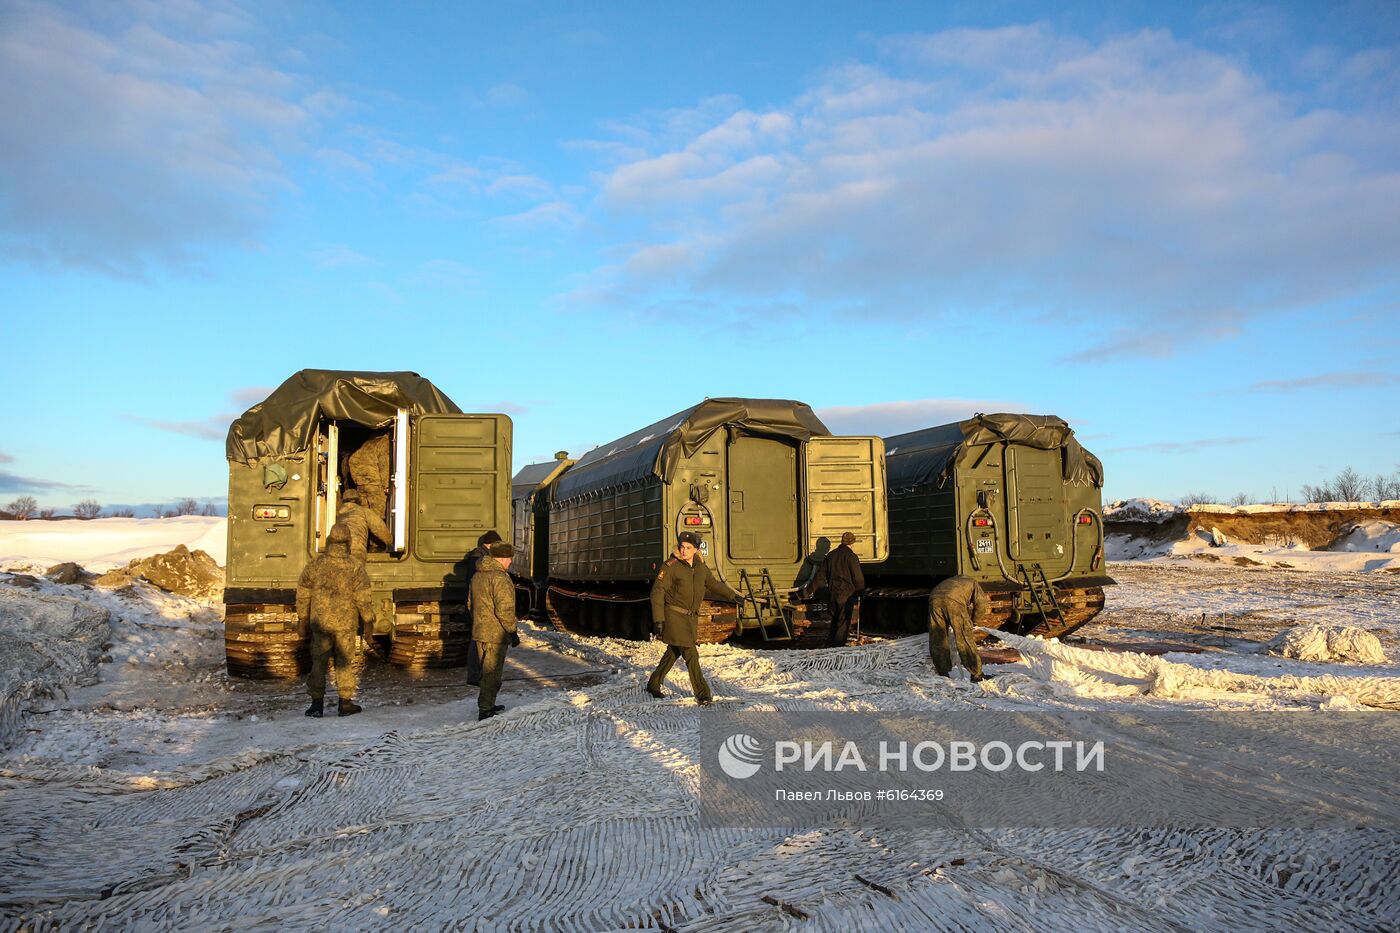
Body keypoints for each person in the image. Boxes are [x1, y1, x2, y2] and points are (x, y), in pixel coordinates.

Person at [646, 531, 743, 704]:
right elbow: (657, 592)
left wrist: (732, 595)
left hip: (690, 618)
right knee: (691, 654)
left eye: (688, 548)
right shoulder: (671, 566)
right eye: (682, 547)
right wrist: (658, 619)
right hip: (674, 615)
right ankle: (702, 693)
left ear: (696, 550)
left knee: (674, 651)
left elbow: (712, 583)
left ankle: (653, 683)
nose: (683, 551)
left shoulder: (700, 567)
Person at [297, 522, 374, 717]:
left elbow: (303, 592)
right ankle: (345, 703)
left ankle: (316, 705)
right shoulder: (355, 566)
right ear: (348, 542)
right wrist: (368, 621)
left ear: (330, 540)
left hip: (320, 623)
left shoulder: (315, 564)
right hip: (345, 625)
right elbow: (363, 597)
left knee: (318, 663)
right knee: (345, 662)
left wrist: (303, 619)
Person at [471, 541, 519, 721]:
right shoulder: (500, 578)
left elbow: (470, 604)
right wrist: (512, 632)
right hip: (495, 634)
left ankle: (487, 704)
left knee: (485, 671)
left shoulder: (478, 575)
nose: (510, 563)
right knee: (492, 673)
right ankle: (485, 710)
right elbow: (504, 609)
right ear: (502, 559)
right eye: (509, 559)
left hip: (479, 631)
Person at [806, 531, 865, 647]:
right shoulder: (851, 556)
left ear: (842, 541)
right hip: (847, 595)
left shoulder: (831, 555)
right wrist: (860, 592)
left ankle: (830, 644)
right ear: (853, 543)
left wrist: (809, 590)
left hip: (832, 594)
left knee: (834, 621)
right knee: (842, 623)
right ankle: (838, 648)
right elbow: (858, 577)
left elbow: (820, 576)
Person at [927, 575, 990, 682]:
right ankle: (976, 673)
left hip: (934, 599)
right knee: (964, 638)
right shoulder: (974, 582)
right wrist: (974, 621)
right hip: (953, 602)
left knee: (938, 637)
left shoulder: (953, 580)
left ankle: (942, 672)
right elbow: (981, 604)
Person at [463, 531, 503, 686]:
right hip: (480, 607)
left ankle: (476, 674)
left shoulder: (478, 555)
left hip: (477, 605)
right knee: (477, 642)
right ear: (491, 544)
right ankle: (476, 675)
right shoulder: (479, 558)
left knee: (477, 641)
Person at [336, 488, 391, 562]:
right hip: (357, 551)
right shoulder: (364, 511)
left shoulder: (336, 514)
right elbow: (380, 530)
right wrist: (390, 541)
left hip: (339, 551)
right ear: (359, 500)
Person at [347, 434, 391, 521]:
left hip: (361, 485)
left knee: (364, 517)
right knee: (379, 519)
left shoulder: (367, 444)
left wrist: (358, 479)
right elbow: (384, 465)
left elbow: (352, 460)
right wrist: (386, 485)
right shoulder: (384, 443)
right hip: (376, 487)